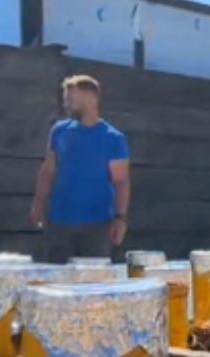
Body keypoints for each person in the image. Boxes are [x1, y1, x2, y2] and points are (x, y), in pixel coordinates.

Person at [29, 75, 131, 264]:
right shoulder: (59, 131)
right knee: (57, 283)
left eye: (71, 99)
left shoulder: (113, 138)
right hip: (59, 222)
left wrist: (120, 218)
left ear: (90, 98)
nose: (67, 104)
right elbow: (48, 170)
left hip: (97, 225)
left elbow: (121, 182)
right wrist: (38, 203)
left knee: (93, 283)